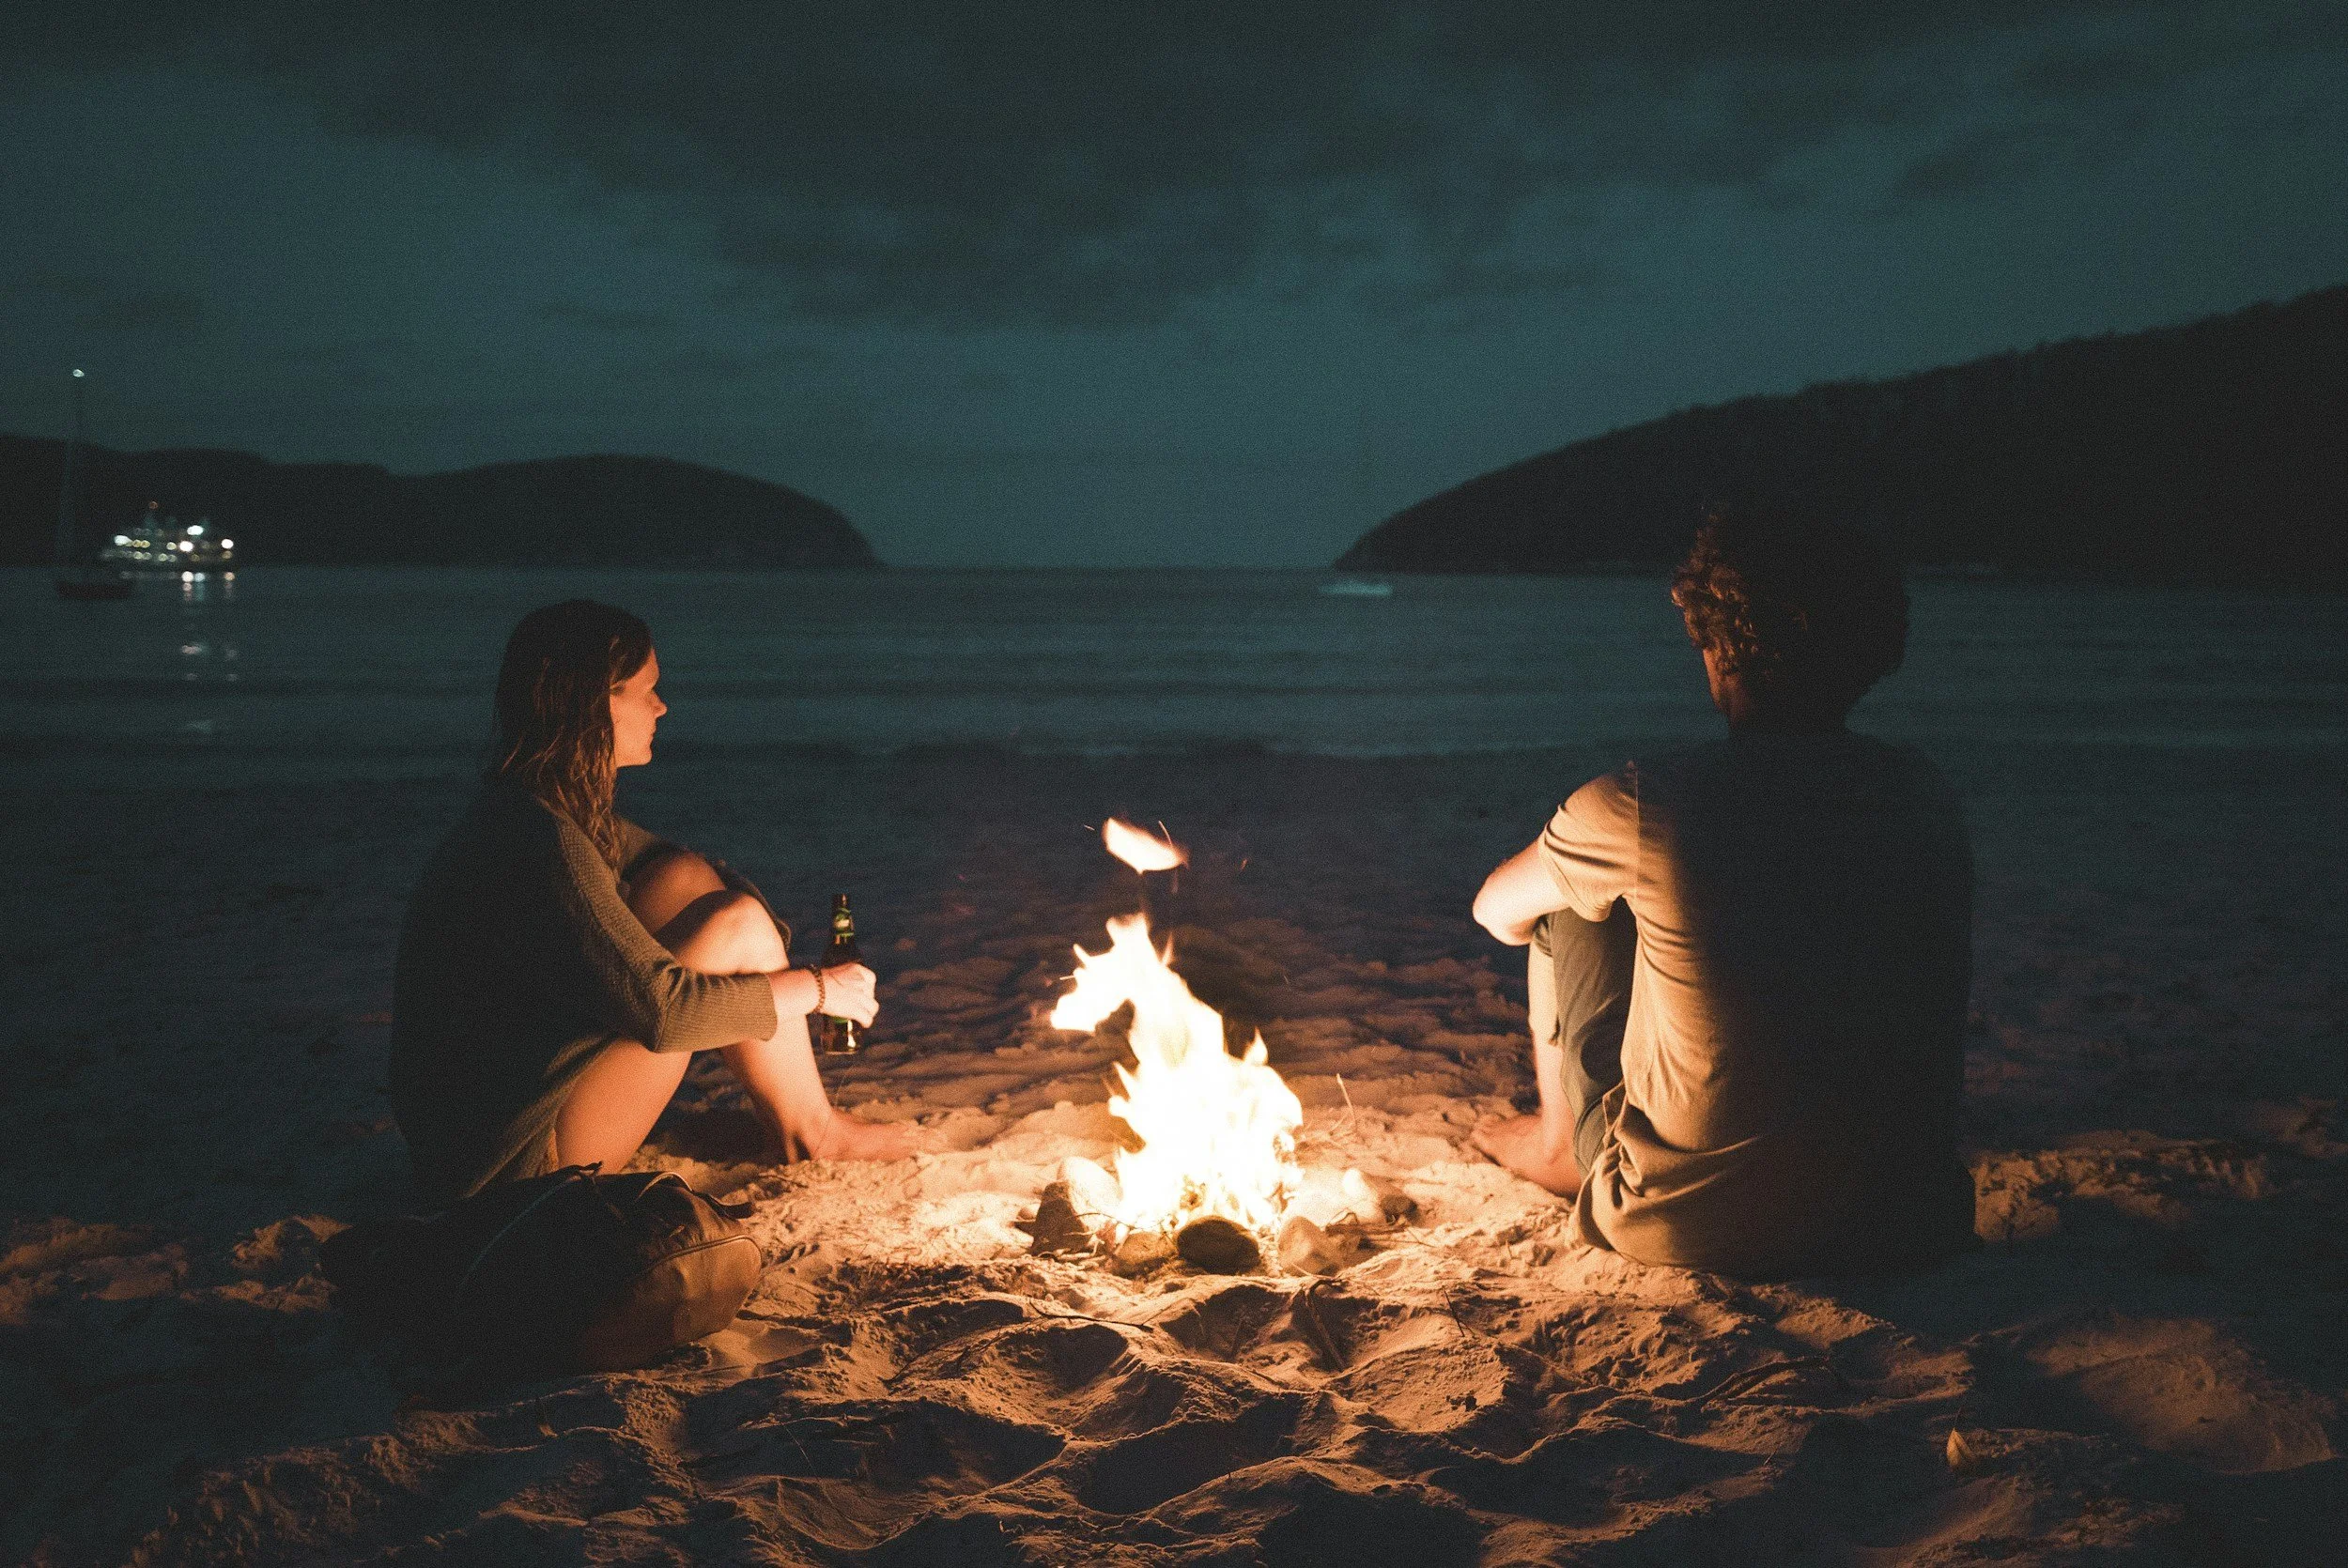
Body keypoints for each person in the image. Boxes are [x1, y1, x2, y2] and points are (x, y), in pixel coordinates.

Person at [1469, 510, 1975, 1278]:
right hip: (1906, 1219)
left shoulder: (1651, 803)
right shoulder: (1924, 795)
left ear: (1714, 649)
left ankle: (1556, 1143)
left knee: (1567, 903)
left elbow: (1494, 912)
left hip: (1689, 1224)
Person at [390, 599, 916, 1207]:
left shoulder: (531, 811)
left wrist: (757, 940)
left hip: (479, 1138)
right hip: (513, 1174)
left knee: (684, 879)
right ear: (595, 702)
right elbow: (665, 1015)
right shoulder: (542, 843)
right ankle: (813, 1133)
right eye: (646, 691)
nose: (661, 706)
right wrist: (823, 989)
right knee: (736, 928)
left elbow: (709, 882)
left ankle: (807, 1123)